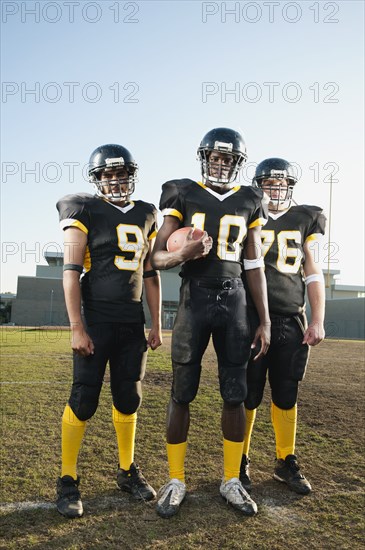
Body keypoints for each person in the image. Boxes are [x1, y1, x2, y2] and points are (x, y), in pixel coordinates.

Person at [150, 127, 271, 518]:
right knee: (182, 390)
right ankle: (175, 478)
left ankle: (231, 479)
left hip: (234, 298)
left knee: (234, 391)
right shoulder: (181, 191)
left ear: (238, 164)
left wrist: (265, 319)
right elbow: (155, 258)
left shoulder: (251, 199)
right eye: (215, 158)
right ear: (204, 158)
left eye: (228, 159)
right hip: (194, 296)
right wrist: (183, 252)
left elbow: (253, 264)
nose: (221, 164)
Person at [55, 143, 162, 518]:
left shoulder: (148, 213)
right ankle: (68, 478)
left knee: (128, 398)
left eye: (120, 174)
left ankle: (127, 470)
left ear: (131, 175)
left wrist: (156, 323)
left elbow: (150, 273)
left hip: (132, 323)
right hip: (96, 322)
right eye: (107, 175)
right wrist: (76, 327)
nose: (115, 181)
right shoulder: (83, 209)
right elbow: (70, 273)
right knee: (84, 399)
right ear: (97, 179)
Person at [240, 157, 326, 495]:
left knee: (286, 391)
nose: (275, 189)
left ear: (290, 187)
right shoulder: (246, 213)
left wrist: (317, 319)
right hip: (249, 318)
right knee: (248, 392)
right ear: (258, 187)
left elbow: (314, 271)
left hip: (290, 317)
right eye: (268, 183)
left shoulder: (307, 217)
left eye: (281, 183)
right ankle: (241, 457)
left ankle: (284, 459)